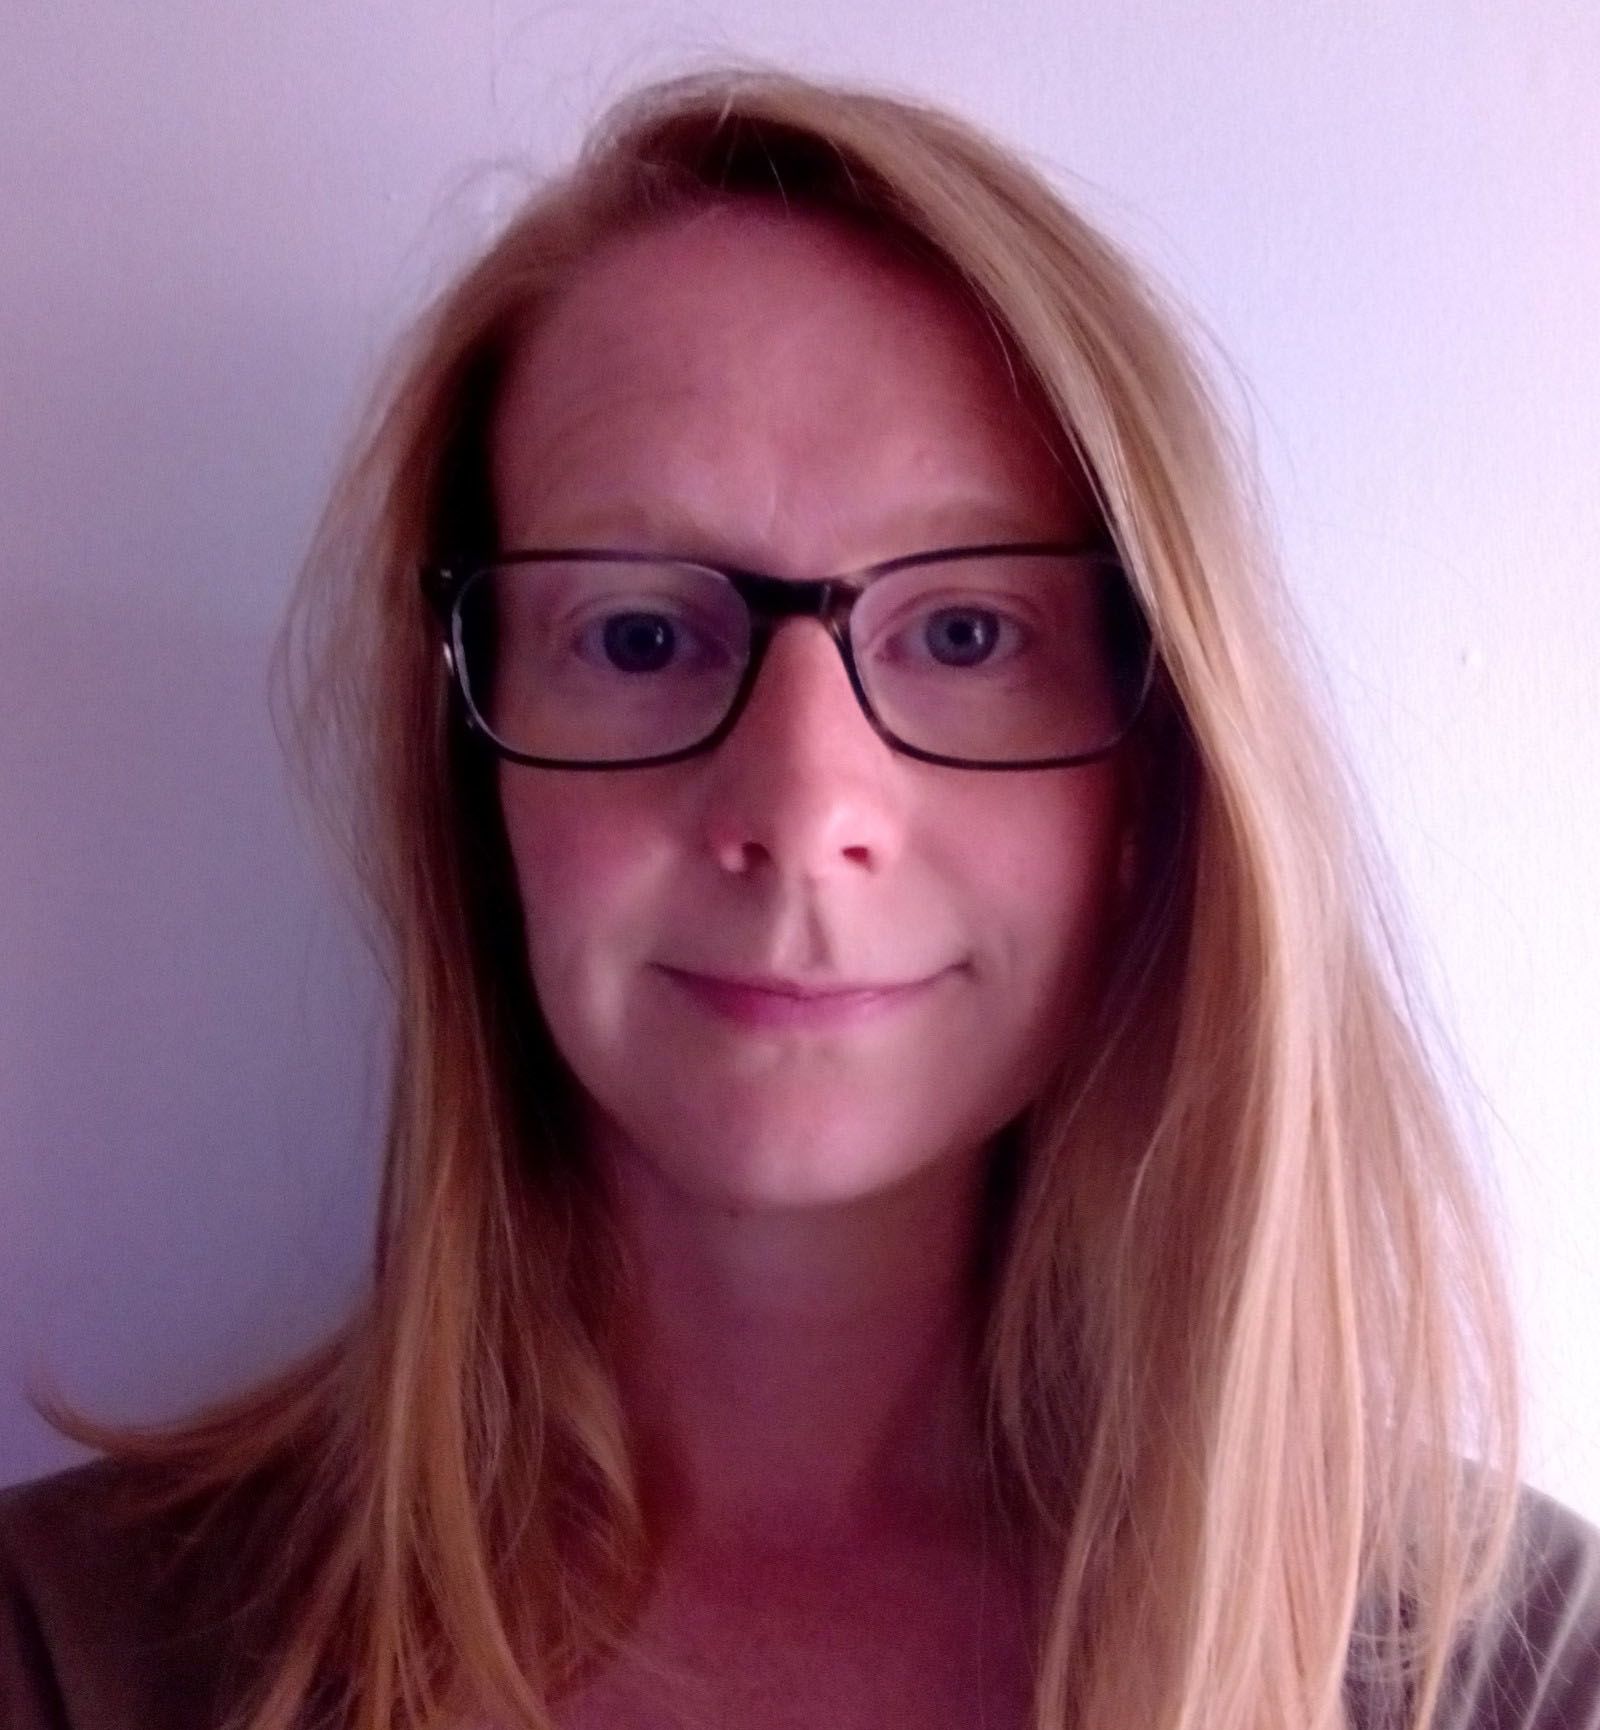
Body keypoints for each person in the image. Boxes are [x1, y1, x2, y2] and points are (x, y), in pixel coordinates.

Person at [2, 66, 1597, 1730]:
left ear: (1158, 777)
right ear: (475, 775)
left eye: (967, 633)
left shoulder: (1511, 1674)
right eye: (637, 634)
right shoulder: (73, 1656)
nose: (800, 806)